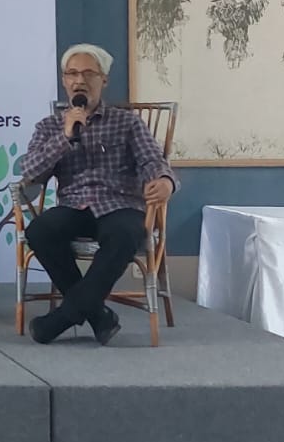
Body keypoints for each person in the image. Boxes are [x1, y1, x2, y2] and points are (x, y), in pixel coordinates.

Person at [20, 43, 178, 345]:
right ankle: (98, 316)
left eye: (88, 74)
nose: (79, 80)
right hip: (74, 206)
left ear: (103, 80)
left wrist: (165, 181)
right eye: (72, 74)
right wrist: (64, 137)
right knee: (40, 230)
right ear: (64, 80)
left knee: (125, 234)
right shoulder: (50, 126)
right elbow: (30, 171)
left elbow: (152, 161)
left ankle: (62, 318)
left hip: (119, 204)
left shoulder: (127, 122)